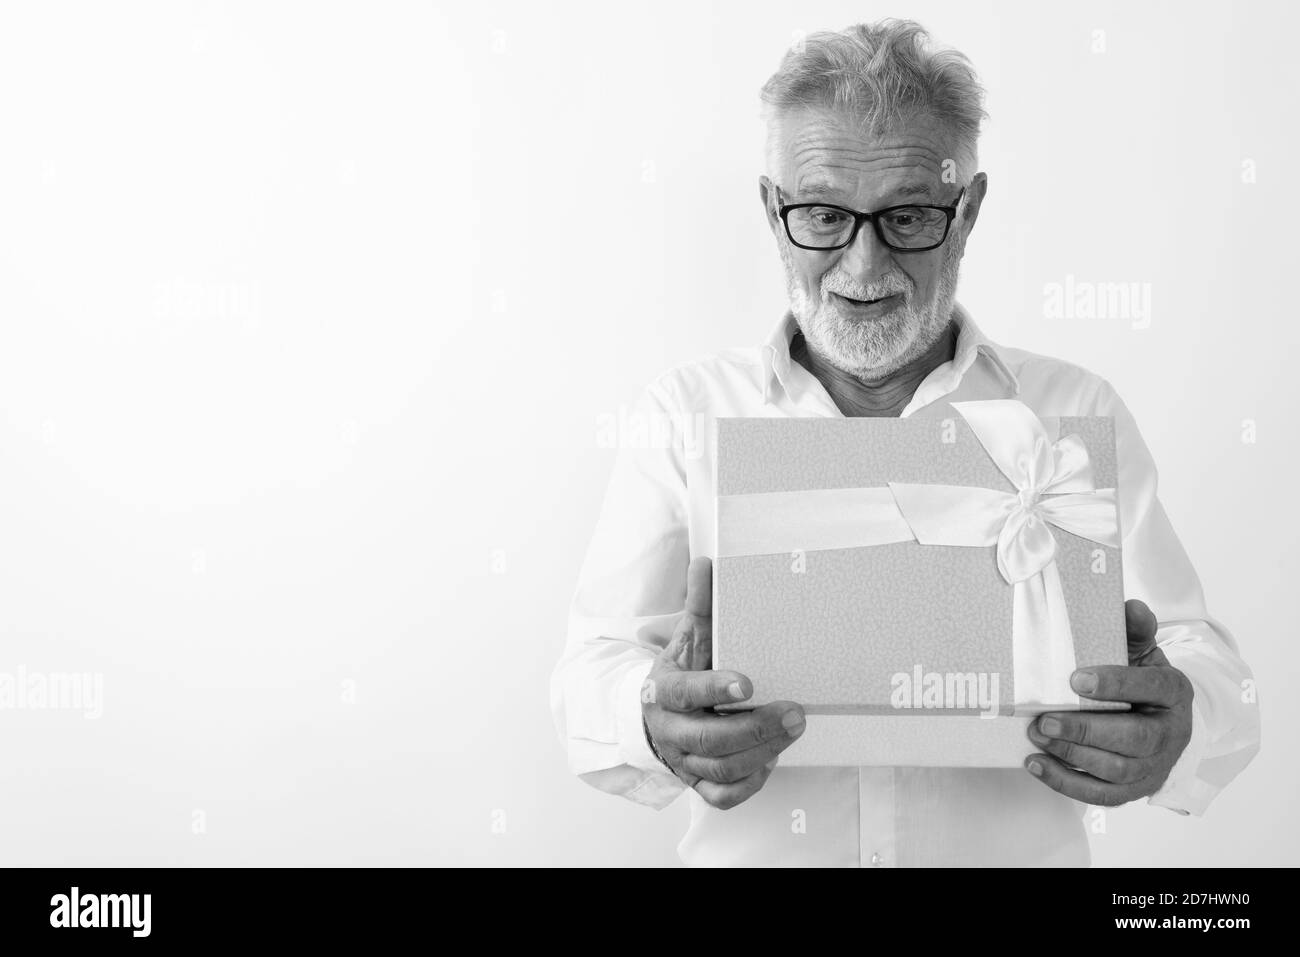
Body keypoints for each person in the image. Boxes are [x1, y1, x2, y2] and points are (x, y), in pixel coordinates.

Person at [550, 19, 1260, 867]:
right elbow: (586, 672)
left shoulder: (1074, 411)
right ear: (772, 211)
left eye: (910, 215)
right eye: (821, 213)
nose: (864, 264)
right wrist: (647, 713)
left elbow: (1209, 665)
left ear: (969, 211)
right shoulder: (684, 414)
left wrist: (1181, 716)